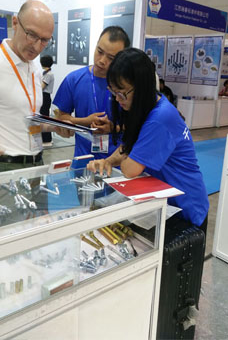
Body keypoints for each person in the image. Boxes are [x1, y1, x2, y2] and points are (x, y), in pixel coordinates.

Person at [87, 48, 208, 234]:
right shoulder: (146, 107)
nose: (118, 99)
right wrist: (108, 161)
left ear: (141, 88)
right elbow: (129, 146)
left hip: (186, 210)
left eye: (122, 93)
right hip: (163, 202)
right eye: (114, 92)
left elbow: (130, 169)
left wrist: (125, 157)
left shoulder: (160, 118)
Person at [0, 0, 72, 174]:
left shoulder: (35, 68)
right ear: (15, 23)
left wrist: (54, 127)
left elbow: (27, 121)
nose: (37, 46)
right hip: (1, 167)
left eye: (44, 40)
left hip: (37, 163)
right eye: (31, 35)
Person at [53, 26, 130, 160]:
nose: (102, 61)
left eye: (111, 58)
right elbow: (61, 118)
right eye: (99, 51)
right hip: (83, 162)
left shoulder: (128, 85)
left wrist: (113, 128)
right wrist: (86, 121)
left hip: (118, 162)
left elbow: (140, 124)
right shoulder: (74, 79)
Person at [40, 55, 55, 146]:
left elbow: (41, 87)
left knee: (44, 118)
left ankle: (47, 140)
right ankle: (42, 139)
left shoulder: (49, 74)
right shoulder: (45, 73)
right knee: (42, 118)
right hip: (43, 96)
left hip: (45, 97)